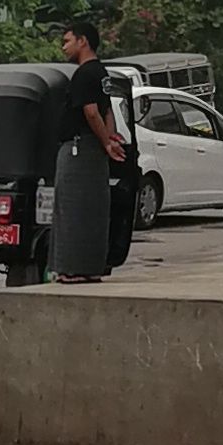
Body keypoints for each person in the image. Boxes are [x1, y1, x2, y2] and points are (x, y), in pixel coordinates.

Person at [52, 17, 130, 281]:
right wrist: (109, 140)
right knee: (92, 208)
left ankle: (73, 268)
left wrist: (107, 141)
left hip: (78, 148)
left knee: (73, 208)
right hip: (92, 148)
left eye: (67, 41)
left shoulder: (85, 74)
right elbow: (108, 109)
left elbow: (92, 111)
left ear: (83, 41)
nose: (64, 47)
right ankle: (89, 266)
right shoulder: (102, 73)